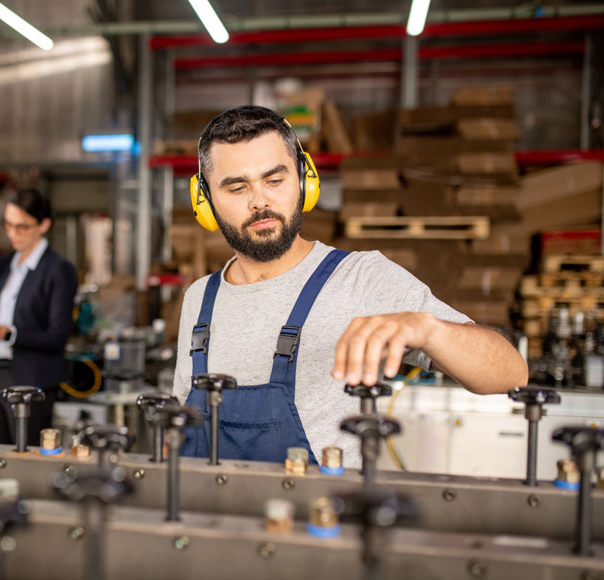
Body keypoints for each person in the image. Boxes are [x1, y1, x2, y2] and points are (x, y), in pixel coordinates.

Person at [173, 105, 528, 467]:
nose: (260, 200)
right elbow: (184, 426)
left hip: (320, 518)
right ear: (204, 200)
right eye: (237, 187)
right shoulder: (200, 298)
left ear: (304, 179)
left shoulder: (362, 278)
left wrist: (427, 329)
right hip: (210, 516)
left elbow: (510, 373)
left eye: (275, 180)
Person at [0, 189, 77, 446]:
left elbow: (57, 336)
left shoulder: (58, 270)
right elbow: (1, 318)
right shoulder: (7, 264)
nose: (13, 233)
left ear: (44, 225)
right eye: (8, 225)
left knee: (27, 456)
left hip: (31, 379)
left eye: (22, 227)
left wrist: (6, 333)